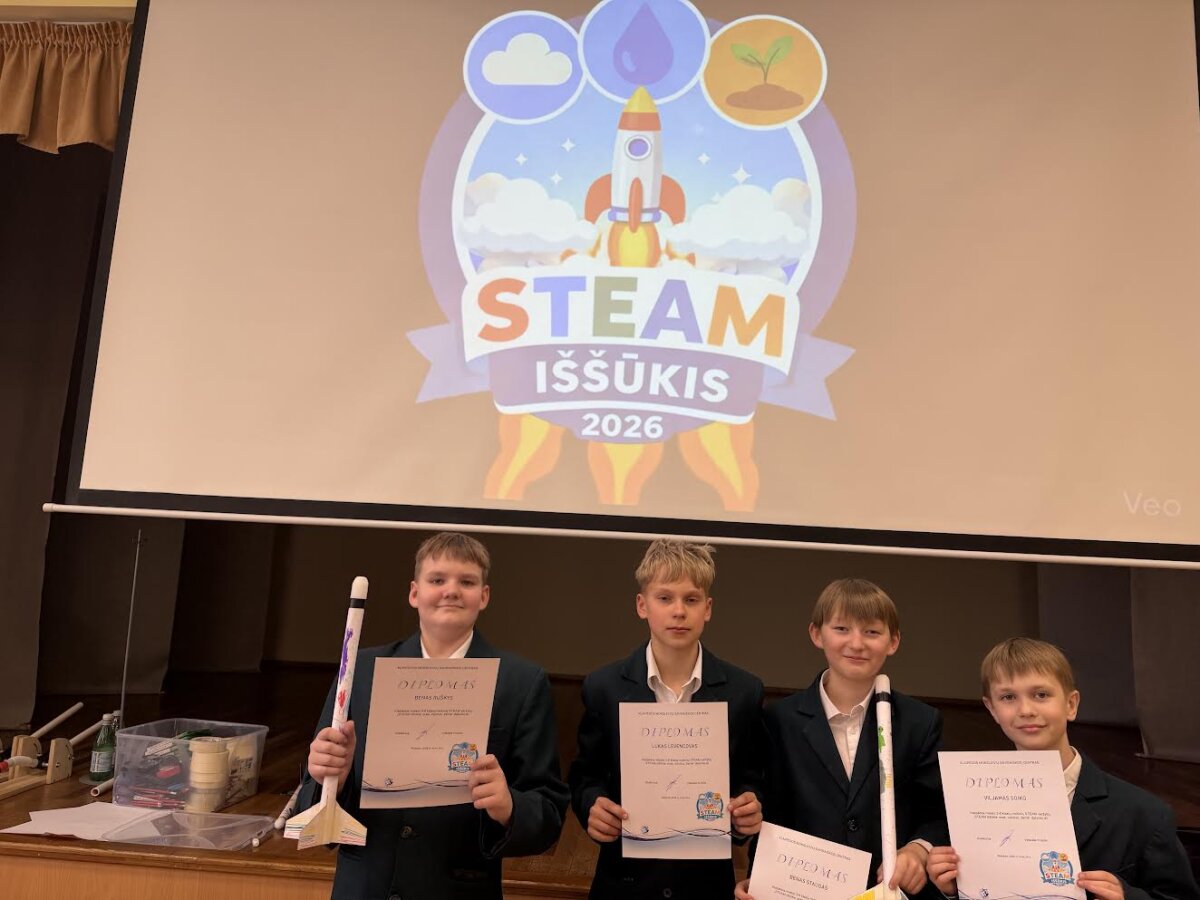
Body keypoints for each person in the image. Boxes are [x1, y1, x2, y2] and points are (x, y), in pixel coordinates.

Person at [299, 532, 569, 900]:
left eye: (467, 582)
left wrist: (509, 806)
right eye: (437, 579)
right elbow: (310, 802)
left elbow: (548, 815)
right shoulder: (360, 670)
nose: (451, 591)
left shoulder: (521, 682)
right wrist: (330, 777)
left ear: (484, 596)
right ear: (414, 593)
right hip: (365, 887)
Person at [926, 638, 1200, 900]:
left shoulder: (1143, 814)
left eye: (1041, 694)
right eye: (1008, 697)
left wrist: (1127, 897)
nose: (1025, 709)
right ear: (992, 709)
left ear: (1071, 704)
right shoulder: (968, 811)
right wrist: (952, 891)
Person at [569, 539, 766, 899]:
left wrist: (747, 810)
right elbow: (586, 775)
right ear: (642, 605)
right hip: (624, 884)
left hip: (706, 887)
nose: (678, 611)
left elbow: (752, 778)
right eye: (665, 598)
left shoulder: (744, 691)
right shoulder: (604, 687)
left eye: (691, 599)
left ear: (708, 608)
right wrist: (591, 806)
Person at [738, 578, 946, 899]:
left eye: (872, 632)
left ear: (893, 641)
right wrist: (758, 880)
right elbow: (769, 814)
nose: (857, 643)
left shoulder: (920, 722)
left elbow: (938, 814)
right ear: (816, 634)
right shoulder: (778, 720)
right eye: (841, 629)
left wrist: (917, 851)